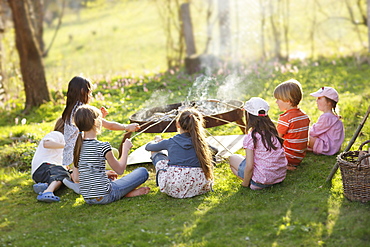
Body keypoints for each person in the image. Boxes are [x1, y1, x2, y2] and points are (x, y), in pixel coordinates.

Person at [61, 76, 139, 189]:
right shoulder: (83, 110)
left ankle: (76, 174)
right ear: (83, 92)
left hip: (72, 158)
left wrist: (99, 118)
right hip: (81, 157)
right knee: (112, 162)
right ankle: (79, 178)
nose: (91, 96)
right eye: (90, 93)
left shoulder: (69, 110)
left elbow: (86, 128)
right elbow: (110, 125)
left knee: (115, 152)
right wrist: (127, 127)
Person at [71, 104, 150, 205]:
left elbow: (76, 178)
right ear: (96, 122)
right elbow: (120, 170)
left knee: (110, 175)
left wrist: (105, 174)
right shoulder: (103, 146)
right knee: (143, 172)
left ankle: (123, 192)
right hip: (106, 195)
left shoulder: (77, 147)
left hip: (88, 198)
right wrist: (125, 149)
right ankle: (125, 193)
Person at [145, 108, 214, 198]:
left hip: (174, 188)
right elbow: (214, 150)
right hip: (199, 187)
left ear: (178, 124)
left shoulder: (170, 141)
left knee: (157, 154)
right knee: (206, 157)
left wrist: (156, 141)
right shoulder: (200, 142)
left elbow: (149, 147)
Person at [229, 97, 287, 190]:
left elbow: (249, 166)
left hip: (260, 182)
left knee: (232, 158)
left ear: (248, 115)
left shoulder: (251, 137)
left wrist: (244, 184)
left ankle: (250, 182)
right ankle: (259, 181)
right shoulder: (272, 131)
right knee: (246, 158)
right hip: (279, 177)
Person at [273, 79, 310, 170]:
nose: (276, 102)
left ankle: (285, 166)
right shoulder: (304, 116)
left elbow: (276, 138)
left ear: (288, 101)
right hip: (299, 157)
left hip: (288, 157)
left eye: (278, 99)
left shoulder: (285, 118)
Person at [31, 118, 70, 202]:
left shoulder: (64, 143)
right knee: (62, 173)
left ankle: (44, 186)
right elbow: (47, 143)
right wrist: (67, 146)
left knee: (67, 178)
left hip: (44, 174)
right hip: (43, 167)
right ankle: (47, 192)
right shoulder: (56, 134)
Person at [308, 87, 344, 155]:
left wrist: (303, 130)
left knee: (304, 137)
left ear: (329, 103)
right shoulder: (333, 117)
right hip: (333, 148)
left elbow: (314, 132)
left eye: (319, 98)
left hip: (327, 148)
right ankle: (309, 148)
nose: (316, 101)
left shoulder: (326, 117)